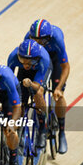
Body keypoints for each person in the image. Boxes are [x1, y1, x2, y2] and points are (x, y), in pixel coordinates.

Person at [25, 19, 69, 154]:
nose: (38, 43)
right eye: (35, 40)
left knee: (58, 96)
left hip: (54, 60)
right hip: (38, 61)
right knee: (38, 92)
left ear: (48, 38)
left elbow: (65, 66)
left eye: (41, 41)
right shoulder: (28, 38)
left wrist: (58, 88)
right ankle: (42, 127)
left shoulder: (57, 39)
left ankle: (61, 132)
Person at [7, 39, 53, 149]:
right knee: (19, 101)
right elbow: (9, 79)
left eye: (30, 61)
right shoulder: (13, 56)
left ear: (36, 58)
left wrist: (31, 84)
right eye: (23, 60)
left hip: (40, 71)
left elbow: (37, 86)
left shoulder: (44, 58)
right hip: (24, 73)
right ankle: (20, 129)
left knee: (38, 93)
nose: (26, 64)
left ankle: (42, 126)